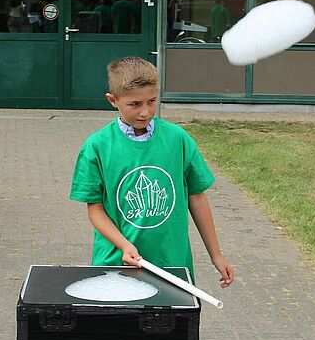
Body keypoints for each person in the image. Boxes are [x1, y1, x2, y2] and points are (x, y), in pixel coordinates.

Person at [70, 56, 234, 286]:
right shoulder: (97, 146)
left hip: (171, 263)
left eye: (152, 101)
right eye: (135, 104)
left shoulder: (177, 139)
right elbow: (95, 210)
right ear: (113, 100)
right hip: (116, 263)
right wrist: (124, 245)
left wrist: (216, 255)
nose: (145, 112)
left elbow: (196, 197)